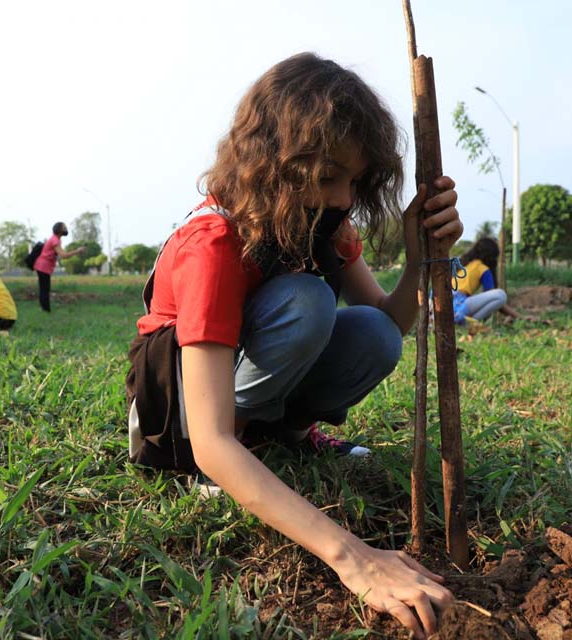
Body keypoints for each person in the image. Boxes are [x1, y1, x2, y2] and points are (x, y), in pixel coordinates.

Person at [125, 53, 462, 639]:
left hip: (244, 391)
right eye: (328, 177)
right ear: (273, 164)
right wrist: (356, 559)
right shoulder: (212, 243)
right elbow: (211, 442)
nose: (341, 198)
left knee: (375, 334)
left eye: (353, 181)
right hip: (179, 417)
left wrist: (417, 257)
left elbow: (389, 320)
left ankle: (278, 433)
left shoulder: (323, 224)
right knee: (307, 302)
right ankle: (249, 443)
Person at [454, 237, 537, 324]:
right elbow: (496, 300)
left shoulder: (463, 264)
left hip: (450, 305)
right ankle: (467, 322)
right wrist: (521, 317)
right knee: (500, 294)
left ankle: (464, 320)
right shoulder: (483, 269)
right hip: (460, 305)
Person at [33, 222, 85, 312]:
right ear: (60, 230)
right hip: (43, 266)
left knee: (44, 289)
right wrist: (77, 251)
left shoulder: (55, 239)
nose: (66, 229)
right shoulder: (55, 240)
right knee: (45, 289)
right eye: (65, 228)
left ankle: (44, 309)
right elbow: (63, 255)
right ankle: (46, 310)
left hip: (42, 266)